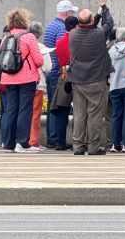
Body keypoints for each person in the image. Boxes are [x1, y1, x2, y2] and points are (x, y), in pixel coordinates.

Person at [69, 8, 113, 156]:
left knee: (79, 113)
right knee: (94, 114)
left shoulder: (73, 34)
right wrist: (104, 9)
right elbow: (109, 24)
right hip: (96, 79)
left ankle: (77, 145)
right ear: (92, 22)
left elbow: (89, 26)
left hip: (78, 80)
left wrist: (97, 15)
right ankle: (93, 146)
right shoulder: (99, 34)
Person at [0, 8, 43, 153]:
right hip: (26, 78)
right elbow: (39, 60)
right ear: (24, 21)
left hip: (8, 78)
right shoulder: (29, 36)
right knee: (25, 109)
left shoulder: (6, 37)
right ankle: (22, 143)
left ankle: (8, 143)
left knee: (11, 109)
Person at [44, 0, 78, 149]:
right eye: (71, 12)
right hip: (62, 71)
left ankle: (54, 138)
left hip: (53, 71)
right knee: (62, 107)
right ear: (66, 13)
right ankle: (56, 138)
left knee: (54, 106)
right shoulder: (61, 29)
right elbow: (64, 49)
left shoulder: (51, 26)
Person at [50, 15, 79, 151]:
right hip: (79, 78)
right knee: (80, 112)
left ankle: (60, 142)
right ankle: (78, 141)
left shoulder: (59, 42)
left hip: (63, 76)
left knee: (62, 111)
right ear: (76, 26)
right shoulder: (79, 40)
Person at [28, 21, 53, 150]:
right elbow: (48, 67)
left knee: (24, 112)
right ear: (39, 34)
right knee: (35, 113)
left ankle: (23, 139)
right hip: (38, 84)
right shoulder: (41, 47)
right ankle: (33, 141)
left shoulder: (22, 44)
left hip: (23, 84)